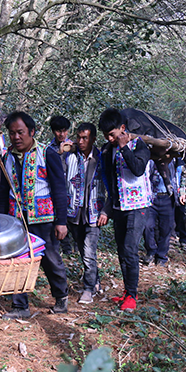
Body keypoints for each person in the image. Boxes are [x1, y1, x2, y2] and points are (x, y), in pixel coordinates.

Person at [0, 111, 70, 318]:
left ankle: (61, 297)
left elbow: (59, 189)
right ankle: (20, 306)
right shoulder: (7, 157)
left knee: (50, 258)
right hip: (16, 220)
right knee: (17, 260)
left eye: (20, 132)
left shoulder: (47, 154)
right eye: (12, 133)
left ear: (32, 132)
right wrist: (3, 220)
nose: (16, 137)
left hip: (44, 218)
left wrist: (61, 222)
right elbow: (4, 192)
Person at [97, 108, 152, 311]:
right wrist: (107, 209)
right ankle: (126, 291)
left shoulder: (140, 145)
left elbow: (138, 169)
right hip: (119, 207)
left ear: (122, 129)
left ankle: (132, 295)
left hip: (138, 208)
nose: (110, 139)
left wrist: (124, 148)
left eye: (112, 134)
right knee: (121, 251)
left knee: (130, 250)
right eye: (107, 136)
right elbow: (111, 181)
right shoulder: (107, 149)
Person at [64, 122, 106, 304]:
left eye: (85, 138)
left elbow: (112, 186)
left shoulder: (102, 158)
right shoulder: (70, 157)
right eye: (78, 137)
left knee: (89, 251)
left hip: (94, 212)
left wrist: (106, 210)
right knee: (82, 249)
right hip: (74, 212)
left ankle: (88, 288)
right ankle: (95, 280)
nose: (80, 142)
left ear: (93, 139)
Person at [142, 159, 177, 267]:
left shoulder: (173, 160)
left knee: (166, 229)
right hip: (151, 197)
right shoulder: (150, 159)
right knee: (147, 226)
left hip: (167, 197)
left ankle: (161, 256)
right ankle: (151, 251)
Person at [49, 115, 74, 254]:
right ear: (53, 131)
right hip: (58, 188)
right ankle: (63, 246)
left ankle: (71, 246)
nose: (62, 134)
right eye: (58, 131)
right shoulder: (49, 149)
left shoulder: (74, 146)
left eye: (64, 131)